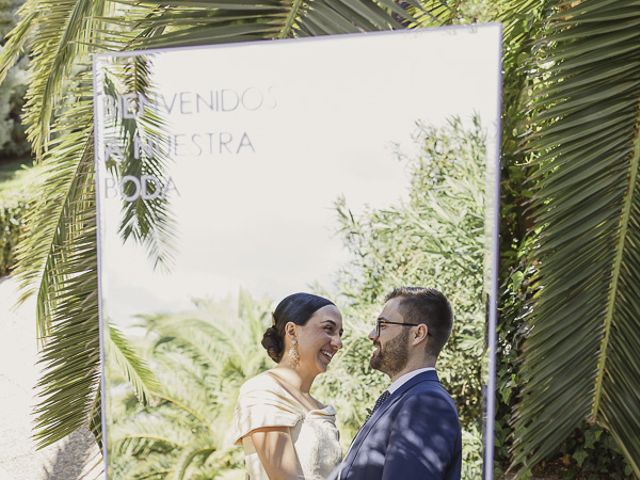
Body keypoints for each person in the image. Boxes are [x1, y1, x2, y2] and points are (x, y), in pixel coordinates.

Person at [333, 286, 461, 480]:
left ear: (418, 334)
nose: (371, 335)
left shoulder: (426, 403)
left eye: (382, 325)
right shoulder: (402, 398)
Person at [232, 292, 344, 479]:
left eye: (340, 334)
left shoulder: (319, 406)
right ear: (291, 331)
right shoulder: (263, 391)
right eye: (328, 329)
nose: (338, 343)